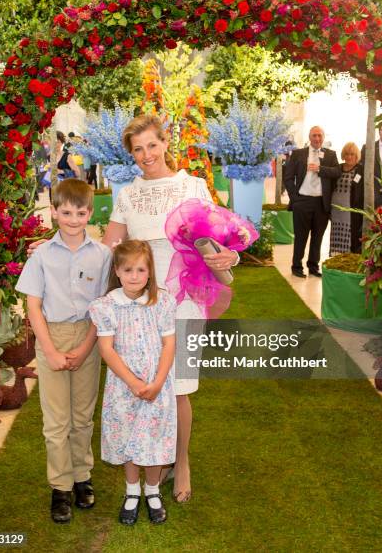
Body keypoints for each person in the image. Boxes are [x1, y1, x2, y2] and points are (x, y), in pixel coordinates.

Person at [102, 114, 239, 502]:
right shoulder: (127, 194)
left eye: (152, 144)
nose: (146, 154)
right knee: (147, 384)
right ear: (132, 154)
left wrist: (229, 257)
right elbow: (107, 248)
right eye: (138, 149)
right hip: (140, 303)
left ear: (165, 143)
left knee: (178, 388)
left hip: (184, 297)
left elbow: (220, 239)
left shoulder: (192, 185)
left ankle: (182, 462)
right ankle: (151, 459)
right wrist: (52, 244)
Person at [16, 179, 112, 524]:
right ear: (54, 212)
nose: (73, 219)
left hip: (89, 336)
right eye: (66, 212)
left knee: (82, 417)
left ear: (90, 213)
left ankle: (82, 478)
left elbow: (104, 306)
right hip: (51, 337)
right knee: (56, 420)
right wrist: (51, 351)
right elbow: (33, 305)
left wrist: (87, 347)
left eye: (80, 212)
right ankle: (60, 487)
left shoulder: (103, 255)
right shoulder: (41, 255)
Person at [89, 240, 177, 525]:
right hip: (123, 386)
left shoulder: (162, 301)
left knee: (154, 438)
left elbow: (169, 344)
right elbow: (107, 349)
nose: (135, 276)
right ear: (117, 271)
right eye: (128, 270)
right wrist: (132, 382)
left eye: (141, 269)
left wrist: (158, 382)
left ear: (150, 271)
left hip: (157, 385)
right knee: (127, 435)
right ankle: (132, 491)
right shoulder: (107, 306)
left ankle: (152, 490)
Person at [284, 126, 341, 278]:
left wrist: (320, 169)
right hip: (302, 201)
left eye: (320, 136)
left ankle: (313, 267)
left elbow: (337, 172)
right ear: (310, 137)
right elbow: (288, 177)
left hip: (321, 203)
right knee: (301, 237)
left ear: (323, 137)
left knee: (317, 237)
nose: (317, 138)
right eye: (314, 135)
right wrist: (295, 198)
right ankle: (296, 266)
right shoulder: (298, 154)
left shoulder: (330, 154)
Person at [330, 142, 364, 255]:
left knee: (350, 235)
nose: (349, 157)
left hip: (350, 209)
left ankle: (348, 259)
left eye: (352, 154)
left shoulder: (360, 170)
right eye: (347, 154)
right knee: (336, 233)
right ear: (343, 155)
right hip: (335, 210)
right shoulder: (337, 168)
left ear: (357, 156)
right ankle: (335, 258)